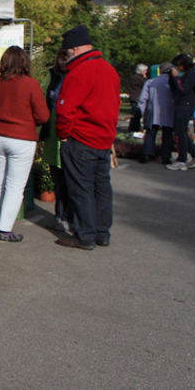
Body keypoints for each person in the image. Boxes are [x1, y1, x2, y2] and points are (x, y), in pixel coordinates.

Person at [54, 25, 120, 250]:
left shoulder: (79, 72)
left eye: (67, 51)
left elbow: (64, 111)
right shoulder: (109, 70)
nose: (66, 55)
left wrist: (63, 135)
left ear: (73, 49)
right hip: (103, 138)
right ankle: (102, 233)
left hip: (81, 140)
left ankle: (85, 236)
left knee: (81, 190)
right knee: (102, 188)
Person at [0, 46, 48, 242]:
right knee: (15, 186)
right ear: (24, 63)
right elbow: (43, 115)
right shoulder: (31, 84)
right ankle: (4, 229)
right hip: (21, 138)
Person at [39, 48, 71, 232]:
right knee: (58, 179)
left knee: (70, 178)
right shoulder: (52, 76)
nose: (63, 61)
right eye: (61, 57)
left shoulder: (75, 76)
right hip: (52, 133)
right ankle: (60, 214)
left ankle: (69, 215)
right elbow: (42, 97)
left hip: (69, 135)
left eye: (66, 58)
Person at [165, 54, 195, 171]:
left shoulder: (193, 74)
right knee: (181, 131)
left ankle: (182, 159)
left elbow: (183, 89)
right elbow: (177, 88)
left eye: (178, 66)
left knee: (180, 132)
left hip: (185, 105)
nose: (177, 68)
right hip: (184, 104)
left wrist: (176, 78)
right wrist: (172, 78)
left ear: (183, 64)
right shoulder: (190, 74)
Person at [138, 63, 174, 164]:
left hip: (153, 110)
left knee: (150, 132)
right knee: (167, 134)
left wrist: (142, 111)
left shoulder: (151, 82)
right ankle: (165, 156)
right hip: (168, 111)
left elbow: (143, 98)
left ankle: (147, 153)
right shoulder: (172, 83)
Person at [128, 63, 148, 133]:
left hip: (135, 98)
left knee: (136, 115)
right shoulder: (138, 78)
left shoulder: (135, 77)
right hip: (137, 98)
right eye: (145, 70)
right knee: (136, 115)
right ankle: (133, 130)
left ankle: (134, 129)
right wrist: (145, 77)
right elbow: (146, 84)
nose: (146, 72)